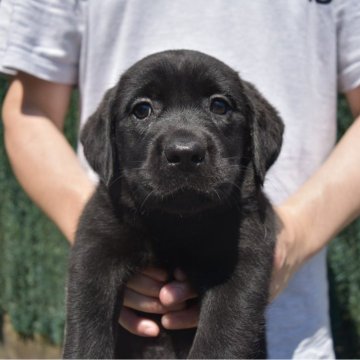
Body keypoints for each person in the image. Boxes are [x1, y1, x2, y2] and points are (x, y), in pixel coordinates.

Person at [1, 0, 360, 358]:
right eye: (143, 110)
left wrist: (292, 237)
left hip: (290, 338)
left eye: (219, 107)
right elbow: (30, 111)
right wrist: (94, 242)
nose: (185, 143)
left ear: (255, 135)